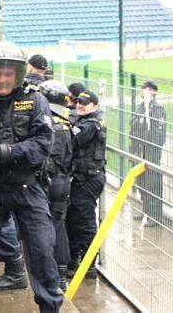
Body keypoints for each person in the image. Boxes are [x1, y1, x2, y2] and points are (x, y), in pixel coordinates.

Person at [0, 41, 63, 313]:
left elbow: (42, 144)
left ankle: (50, 307)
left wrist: (4, 152)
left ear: (17, 74)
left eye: (8, 73)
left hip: (28, 188)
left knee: (41, 252)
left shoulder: (35, 100)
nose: (2, 79)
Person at [66, 90, 106, 279]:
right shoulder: (83, 121)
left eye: (85, 103)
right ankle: (76, 260)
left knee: (85, 221)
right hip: (81, 178)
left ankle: (89, 265)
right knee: (74, 219)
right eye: (79, 102)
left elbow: (72, 142)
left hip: (89, 179)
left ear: (95, 106)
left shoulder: (91, 124)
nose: (80, 105)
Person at [39, 80, 74, 291]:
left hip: (51, 181)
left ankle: (56, 274)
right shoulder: (66, 122)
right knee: (58, 225)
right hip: (64, 180)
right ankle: (60, 272)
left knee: (49, 226)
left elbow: (48, 159)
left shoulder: (50, 124)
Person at [130, 80, 166, 225]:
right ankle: (146, 211)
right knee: (142, 182)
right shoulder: (140, 107)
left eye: (146, 89)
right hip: (138, 150)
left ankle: (155, 216)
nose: (143, 91)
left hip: (150, 151)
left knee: (152, 183)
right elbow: (133, 126)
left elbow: (158, 132)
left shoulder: (157, 109)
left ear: (152, 92)